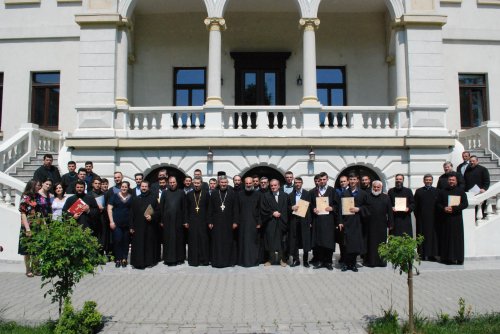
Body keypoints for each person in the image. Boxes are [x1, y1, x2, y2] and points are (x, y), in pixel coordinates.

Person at [339, 173, 369, 272]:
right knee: (346, 245)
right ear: (348, 181)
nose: (352, 181)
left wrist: (359, 209)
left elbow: (368, 207)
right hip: (347, 222)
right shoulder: (344, 193)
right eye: (350, 179)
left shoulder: (363, 193)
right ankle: (345, 264)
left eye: (354, 179)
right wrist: (340, 221)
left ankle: (353, 264)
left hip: (358, 222)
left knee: (355, 245)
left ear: (357, 181)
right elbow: (340, 209)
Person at [436, 173, 468, 265]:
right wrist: (444, 208)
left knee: (457, 239)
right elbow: (438, 203)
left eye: (453, 180)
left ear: (456, 181)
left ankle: (458, 258)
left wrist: (454, 208)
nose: (451, 182)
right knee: (446, 238)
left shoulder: (461, 191)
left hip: (456, 219)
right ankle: (446, 258)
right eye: (450, 180)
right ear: (447, 181)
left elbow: (465, 204)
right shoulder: (442, 191)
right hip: (445, 219)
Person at [311, 172, 340, 270]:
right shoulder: (314, 191)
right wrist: (313, 209)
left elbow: (337, 205)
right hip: (317, 220)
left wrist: (332, 208)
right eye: (320, 180)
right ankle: (319, 261)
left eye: (324, 179)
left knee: (328, 241)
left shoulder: (332, 191)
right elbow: (310, 204)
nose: (322, 181)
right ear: (318, 181)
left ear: (327, 179)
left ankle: (328, 262)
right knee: (318, 242)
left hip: (329, 220)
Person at [130, 180, 160, 269]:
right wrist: (131, 226)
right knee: (138, 244)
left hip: (149, 226)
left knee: (149, 244)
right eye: (142, 186)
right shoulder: (135, 198)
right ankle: (138, 263)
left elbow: (159, 212)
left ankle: (149, 262)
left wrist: (152, 217)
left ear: (148, 187)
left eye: (145, 186)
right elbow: (131, 213)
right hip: (138, 227)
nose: (143, 188)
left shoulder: (153, 198)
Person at [208, 176, 238, 268]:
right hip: (216, 222)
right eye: (222, 182)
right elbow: (210, 208)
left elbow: (235, 209)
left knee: (228, 242)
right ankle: (217, 261)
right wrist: (210, 221)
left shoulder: (232, 193)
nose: (223, 184)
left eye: (225, 182)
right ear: (219, 183)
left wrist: (235, 221)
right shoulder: (214, 193)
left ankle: (229, 262)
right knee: (217, 242)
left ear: (227, 183)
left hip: (229, 222)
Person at [18, 179, 45, 277]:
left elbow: (41, 211)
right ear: (33, 186)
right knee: (27, 249)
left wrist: (44, 223)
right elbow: (23, 213)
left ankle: (36, 268)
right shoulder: (25, 197)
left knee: (37, 248)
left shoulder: (39, 197)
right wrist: (27, 228)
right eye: (38, 185)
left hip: (38, 225)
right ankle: (28, 269)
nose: (39, 187)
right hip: (28, 226)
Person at [260, 179, 290, 266]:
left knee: (282, 241)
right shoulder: (265, 196)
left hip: (282, 221)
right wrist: (272, 213)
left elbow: (288, 208)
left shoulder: (285, 196)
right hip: (270, 222)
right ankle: (271, 259)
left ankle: (282, 259)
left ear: (279, 186)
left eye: (275, 185)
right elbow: (263, 209)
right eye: (272, 185)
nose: (273, 187)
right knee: (270, 241)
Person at [364, 180, 393, 267]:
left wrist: (391, 223)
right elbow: (364, 209)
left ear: (381, 187)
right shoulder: (367, 196)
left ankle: (381, 262)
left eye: (378, 187)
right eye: (374, 187)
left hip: (382, 225)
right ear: (372, 187)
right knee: (370, 243)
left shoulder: (386, 197)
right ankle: (370, 262)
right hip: (370, 225)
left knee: (382, 243)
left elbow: (390, 211)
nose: (376, 189)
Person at [160, 176, 187, 266]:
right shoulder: (164, 193)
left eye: (173, 182)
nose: (172, 184)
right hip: (167, 221)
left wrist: (185, 220)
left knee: (179, 239)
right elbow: (161, 208)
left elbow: (184, 208)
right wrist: (161, 220)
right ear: (168, 183)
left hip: (178, 221)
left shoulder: (181, 192)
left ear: (176, 183)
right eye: (170, 183)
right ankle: (168, 259)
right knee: (168, 240)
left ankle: (179, 258)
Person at [235, 177, 262, 267]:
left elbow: (260, 209)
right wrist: (236, 222)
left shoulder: (258, 194)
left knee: (252, 243)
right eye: (247, 183)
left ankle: (253, 261)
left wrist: (259, 222)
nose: (248, 185)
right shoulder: (239, 194)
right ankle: (242, 261)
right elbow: (237, 209)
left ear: (253, 184)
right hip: (242, 223)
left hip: (253, 223)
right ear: (244, 183)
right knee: (243, 242)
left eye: (250, 183)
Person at [185, 176, 210, 266]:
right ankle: (193, 261)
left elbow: (209, 208)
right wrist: (186, 221)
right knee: (193, 241)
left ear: (201, 184)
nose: (196, 185)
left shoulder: (206, 194)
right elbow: (186, 209)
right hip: (192, 221)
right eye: (195, 183)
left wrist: (209, 221)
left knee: (203, 241)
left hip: (203, 221)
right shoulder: (189, 194)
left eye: (198, 183)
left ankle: (204, 260)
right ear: (192, 183)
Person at [107, 181, 133, 268]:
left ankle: (124, 258)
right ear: (120, 187)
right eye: (122, 186)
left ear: (128, 188)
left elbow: (133, 211)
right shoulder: (114, 196)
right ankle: (118, 258)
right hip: (116, 224)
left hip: (127, 224)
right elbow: (109, 209)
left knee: (126, 241)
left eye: (125, 187)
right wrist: (111, 221)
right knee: (117, 240)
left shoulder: (131, 198)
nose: (124, 188)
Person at [414, 174, 439, 260]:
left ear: (432, 181)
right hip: (421, 218)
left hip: (433, 218)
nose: (428, 181)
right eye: (426, 180)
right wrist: (418, 216)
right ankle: (421, 254)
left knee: (433, 237)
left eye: (429, 180)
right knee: (421, 236)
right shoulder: (419, 191)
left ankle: (432, 255)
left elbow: (438, 205)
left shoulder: (436, 191)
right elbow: (415, 205)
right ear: (424, 181)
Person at [289, 177, 312, 267]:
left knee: (305, 240)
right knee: (295, 240)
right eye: (296, 182)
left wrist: (310, 221)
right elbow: (287, 207)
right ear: (294, 184)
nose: (297, 184)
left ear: (302, 183)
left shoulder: (307, 194)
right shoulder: (291, 195)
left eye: (299, 182)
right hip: (294, 221)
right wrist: (291, 207)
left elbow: (310, 209)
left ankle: (305, 261)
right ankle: (296, 260)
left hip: (304, 220)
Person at [335, 175, 349, 264]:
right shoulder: (337, 191)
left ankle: (349, 258)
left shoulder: (352, 191)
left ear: (348, 182)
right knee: (341, 240)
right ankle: (342, 256)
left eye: (344, 181)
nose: (343, 183)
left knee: (349, 240)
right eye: (341, 182)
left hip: (350, 220)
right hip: (340, 219)